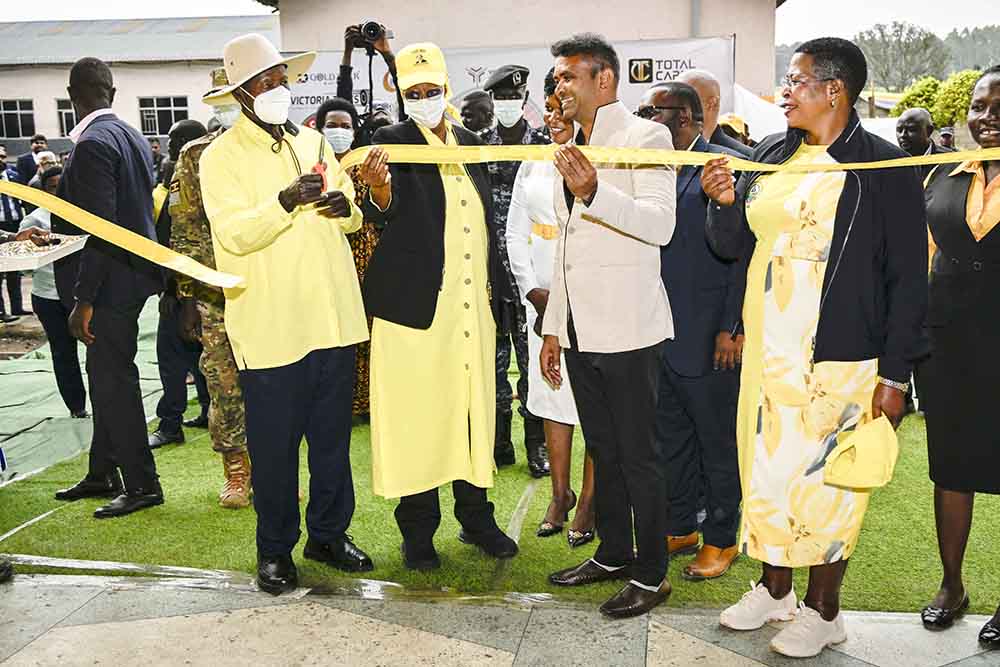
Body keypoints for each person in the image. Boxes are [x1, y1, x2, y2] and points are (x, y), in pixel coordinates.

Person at [701, 38, 927, 658]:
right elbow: (734, 245)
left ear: (835, 90)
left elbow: (908, 279)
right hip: (768, 354)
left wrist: (896, 375)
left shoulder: (882, 167)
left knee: (828, 484)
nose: (785, 91)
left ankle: (826, 611)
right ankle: (775, 593)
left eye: (797, 81)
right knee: (769, 475)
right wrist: (723, 203)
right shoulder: (773, 152)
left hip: (839, 357)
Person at [200, 33, 373, 595]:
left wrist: (343, 207)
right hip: (272, 328)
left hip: (333, 318)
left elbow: (347, 216)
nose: (277, 90)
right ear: (242, 93)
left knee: (332, 443)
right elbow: (232, 234)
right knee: (274, 451)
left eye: (281, 80)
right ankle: (275, 550)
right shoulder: (220, 157)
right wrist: (285, 201)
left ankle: (328, 534)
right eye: (264, 83)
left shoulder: (315, 142)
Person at [358, 42, 518, 571]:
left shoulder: (470, 142)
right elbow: (383, 212)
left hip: (471, 309)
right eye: (415, 93)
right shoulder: (392, 141)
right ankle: (418, 531)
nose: (425, 100)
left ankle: (477, 520)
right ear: (402, 97)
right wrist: (379, 188)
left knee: (472, 413)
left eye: (432, 91)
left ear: (447, 90)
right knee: (419, 420)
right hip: (415, 312)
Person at [541, 33, 676, 619]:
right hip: (578, 327)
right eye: (556, 78)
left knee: (639, 455)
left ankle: (651, 574)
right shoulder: (571, 143)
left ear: (605, 80)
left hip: (629, 328)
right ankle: (615, 552)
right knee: (604, 448)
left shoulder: (648, 136)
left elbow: (661, 226)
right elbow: (565, 244)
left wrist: (594, 188)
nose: (559, 87)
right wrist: (553, 326)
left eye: (569, 76)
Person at [639, 82, 746, 581]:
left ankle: (722, 538)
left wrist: (732, 327)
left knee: (716, 443)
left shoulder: (725, 165)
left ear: (683, 118)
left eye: (651, 111)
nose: (644, 119)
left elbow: (741, 254)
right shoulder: (654, 167)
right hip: (660, 331)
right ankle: (680, 523)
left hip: (709, 336)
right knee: (670, 438)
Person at [51, 57, 166, 519]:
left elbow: (100, 229)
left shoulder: (94, 143)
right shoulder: (130, 135)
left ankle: (142, 484)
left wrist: (84, 299)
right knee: (106, 377)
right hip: (132, 276)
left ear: (72, 96)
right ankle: (103, 471)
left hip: (110, 284)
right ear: (111, 93)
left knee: (113, 381)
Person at [916, 65, 1000, 649]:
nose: (987, 115)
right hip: (946, 348)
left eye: (999, 105)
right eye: (979, 105)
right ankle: (952, 586)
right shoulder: (941, 176)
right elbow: (921, 261)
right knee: (951, 468)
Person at [506, 68, 596, 547]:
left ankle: (589, 503)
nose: (556, 114)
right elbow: (514, 233)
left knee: (593, 400)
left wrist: (562, 299)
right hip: (539, 298)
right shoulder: (532, 163)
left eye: (565, 106)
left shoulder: (600, 157)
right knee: (551, 397)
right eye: (551, 106)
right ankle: (560, 495)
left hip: (588, 296)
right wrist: (533, 294)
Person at [171, 68, 251, 509]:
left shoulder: (275, 151)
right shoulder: (195, 154)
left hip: (265, 283)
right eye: (220, 99)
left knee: (271, 379)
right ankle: (236, 469)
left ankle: (272, 464)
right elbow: (183, 228)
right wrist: (187, 296)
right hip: (215, 290)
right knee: (223, 379)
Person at [482, 64, 550, 478]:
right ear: (492, 103)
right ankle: (499, 442)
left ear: (524, 102)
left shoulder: (542, 145)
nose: (507, 105)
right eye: (500, 99)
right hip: (489, 273)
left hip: (530, 276)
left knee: (530, 367)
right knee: (492, 364)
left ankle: (536, 446)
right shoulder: (478, 146)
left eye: (513, 99)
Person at [315, 96, 380, 418]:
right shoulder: (313, 165)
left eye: (345, 126)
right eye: (332, 126)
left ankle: (366, 401)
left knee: (365, 330)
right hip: (324, 256)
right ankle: (336, 400)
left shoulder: (363, 163)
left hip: (365, 254)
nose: (339, 131)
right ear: (319, 127)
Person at [149, 119, 211, 449]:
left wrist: (171, 291)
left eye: (175, 141)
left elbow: (178, 243)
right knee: (203, 354)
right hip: (204, 288)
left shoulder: (182, 184)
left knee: (172, 358)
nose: (169, 147)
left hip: (185, 289)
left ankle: (171, 423)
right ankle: (207, 409)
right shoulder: (199, 178)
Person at [18, 166, 88, 418]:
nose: (58, 190)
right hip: (48, 296)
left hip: (82, 295)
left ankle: (105, 403)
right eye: (51, 186)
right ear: (43, 190)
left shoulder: (84, 213)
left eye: (62, 184)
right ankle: (76, 406)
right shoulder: (35, 219)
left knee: (96, 349)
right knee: (62, 352)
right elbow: (22, 261)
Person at [338, 23, 406, 145]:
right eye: (375, 108)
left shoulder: (403, 136)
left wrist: (387, 53)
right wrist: (347, 51)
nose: (380, 110)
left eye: (384, 107)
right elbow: (344, 101)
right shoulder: (355, 140)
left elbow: (403, 90)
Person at [678, 70, 752, 158]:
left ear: (712, 103)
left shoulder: (744, 158)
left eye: (685, 100)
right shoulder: (666, 148)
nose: (676, 109)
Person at [0, 144, 26, 321]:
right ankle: (1, 311)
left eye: (2, 157)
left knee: (14, 268)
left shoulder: (13, 176)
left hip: (14, 225)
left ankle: (17, 307)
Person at [896, 107, 955, 177]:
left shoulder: (951, 161)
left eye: (911, 129)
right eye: (899, 130)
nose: (903, 135)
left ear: (929, 131)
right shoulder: (890, 161)